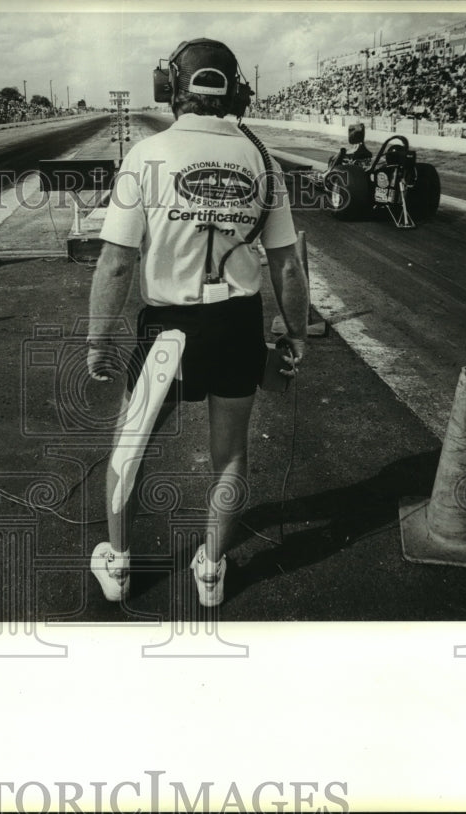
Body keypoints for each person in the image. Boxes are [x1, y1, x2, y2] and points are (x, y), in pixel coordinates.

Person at [86, 38, 309, 607]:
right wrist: (297, 332)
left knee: (128, 450)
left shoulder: (146, 155)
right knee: (231, 455)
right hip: (237, 324)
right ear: (237, 90)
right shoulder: (262, 160)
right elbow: (286, 262)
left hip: (167, 328)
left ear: (169, 88)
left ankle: (118, 564)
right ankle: (211, 569)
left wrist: (97, 338)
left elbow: (115, 262)